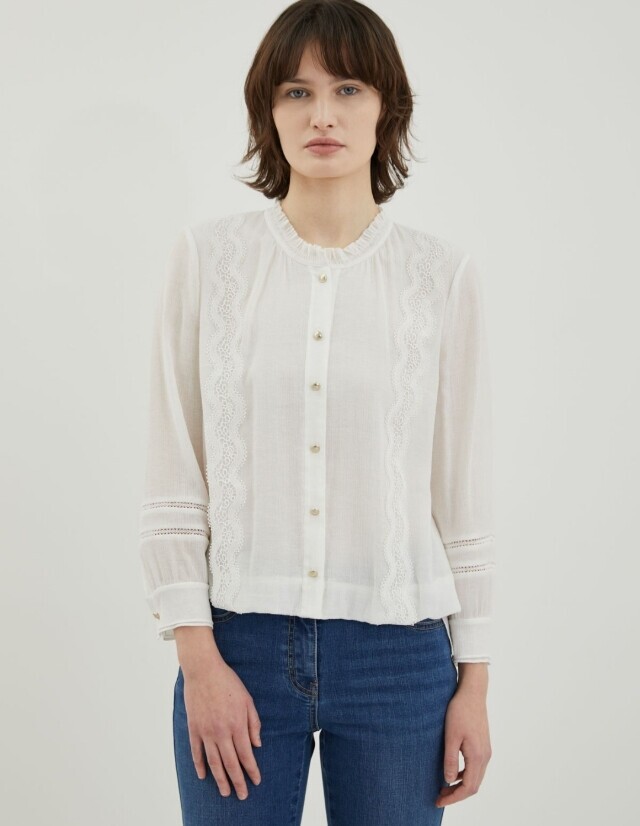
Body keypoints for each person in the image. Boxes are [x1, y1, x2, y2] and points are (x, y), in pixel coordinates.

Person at [138, 1, 495, 823]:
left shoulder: (441, 277)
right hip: (238, 648)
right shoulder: (208, 262)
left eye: (347, 89)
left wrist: (474, 682)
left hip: (401, 658)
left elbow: (462, 493)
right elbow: (172, 472)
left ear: (386, 108)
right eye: (296, 92)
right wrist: (198, 659)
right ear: (268, 111)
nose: (322, 115)